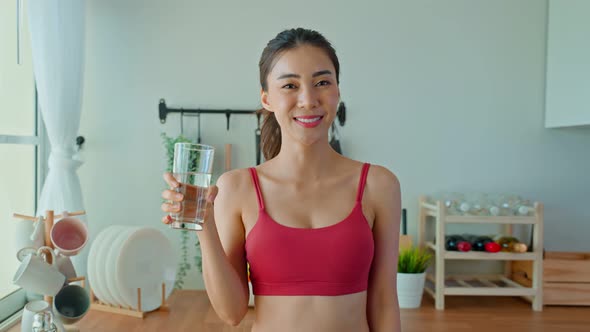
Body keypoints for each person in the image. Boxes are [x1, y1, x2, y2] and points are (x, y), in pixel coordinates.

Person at [161, 27, 401, 332]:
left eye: (322, 82)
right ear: (266, 98)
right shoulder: (237, 188)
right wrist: (202, 224)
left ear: (337, 91)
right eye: (290, 85)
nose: (308, 99)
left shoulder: (378, 185)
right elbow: (232, 313)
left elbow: (383, 301)